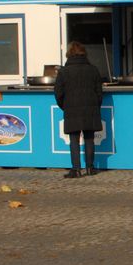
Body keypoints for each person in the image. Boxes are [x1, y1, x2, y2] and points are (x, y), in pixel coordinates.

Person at [54, 41, 104, 178]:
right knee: (89, 138)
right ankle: (90, 168)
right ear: (84, 54)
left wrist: (65, 106)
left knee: (74, 139)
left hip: (72, 109)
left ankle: (76, 169)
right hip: (90, 108)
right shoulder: (93, 69)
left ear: (69, 55)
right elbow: (99, 92)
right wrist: (95, 105)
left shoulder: (63, 72)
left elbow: (58, 93)